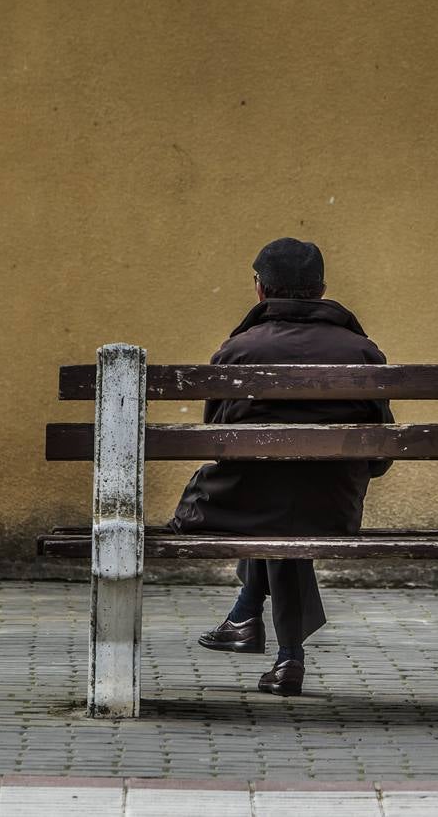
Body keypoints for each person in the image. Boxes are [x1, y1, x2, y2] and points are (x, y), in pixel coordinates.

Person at [167, 238, 393, 696]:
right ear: (322, 288)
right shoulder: (363, 352)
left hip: (239, 504)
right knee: (291, 502)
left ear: (260, 289)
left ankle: (249, 615)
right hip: (331, 506)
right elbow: (380, 456)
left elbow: (219, 443)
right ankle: (278, 647)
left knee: (269, 497)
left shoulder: (237, 351)